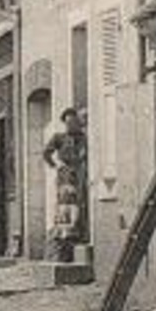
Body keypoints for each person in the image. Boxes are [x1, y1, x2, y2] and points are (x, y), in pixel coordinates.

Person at [44, 108, 88, 262]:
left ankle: (77, 238)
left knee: (79, 206)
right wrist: (57, 165)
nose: (71, 125)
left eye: (74, 122)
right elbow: (46, 153)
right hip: (65, 177)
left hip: (80, 175)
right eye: (68, 122)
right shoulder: (59, 138)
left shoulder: (83, 138)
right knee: (65, 207)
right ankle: (63, 247)